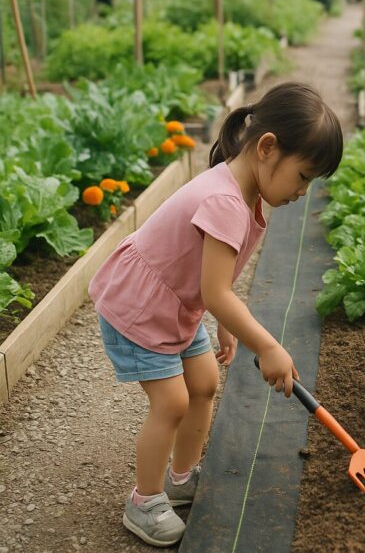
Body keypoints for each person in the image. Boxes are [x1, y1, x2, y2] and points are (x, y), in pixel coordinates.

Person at [89, 83, 343, 546]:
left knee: (204, 383)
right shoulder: (226, 201)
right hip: (141, 306)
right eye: (303, 176)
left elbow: (216, 283)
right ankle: (142, 502)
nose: (303, 192)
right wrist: (266, 344)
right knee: (172, 402)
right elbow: (216, 289)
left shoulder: (245, 193)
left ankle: (180, 477)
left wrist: (225, 325)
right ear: (268, 148)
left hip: (177, 303)